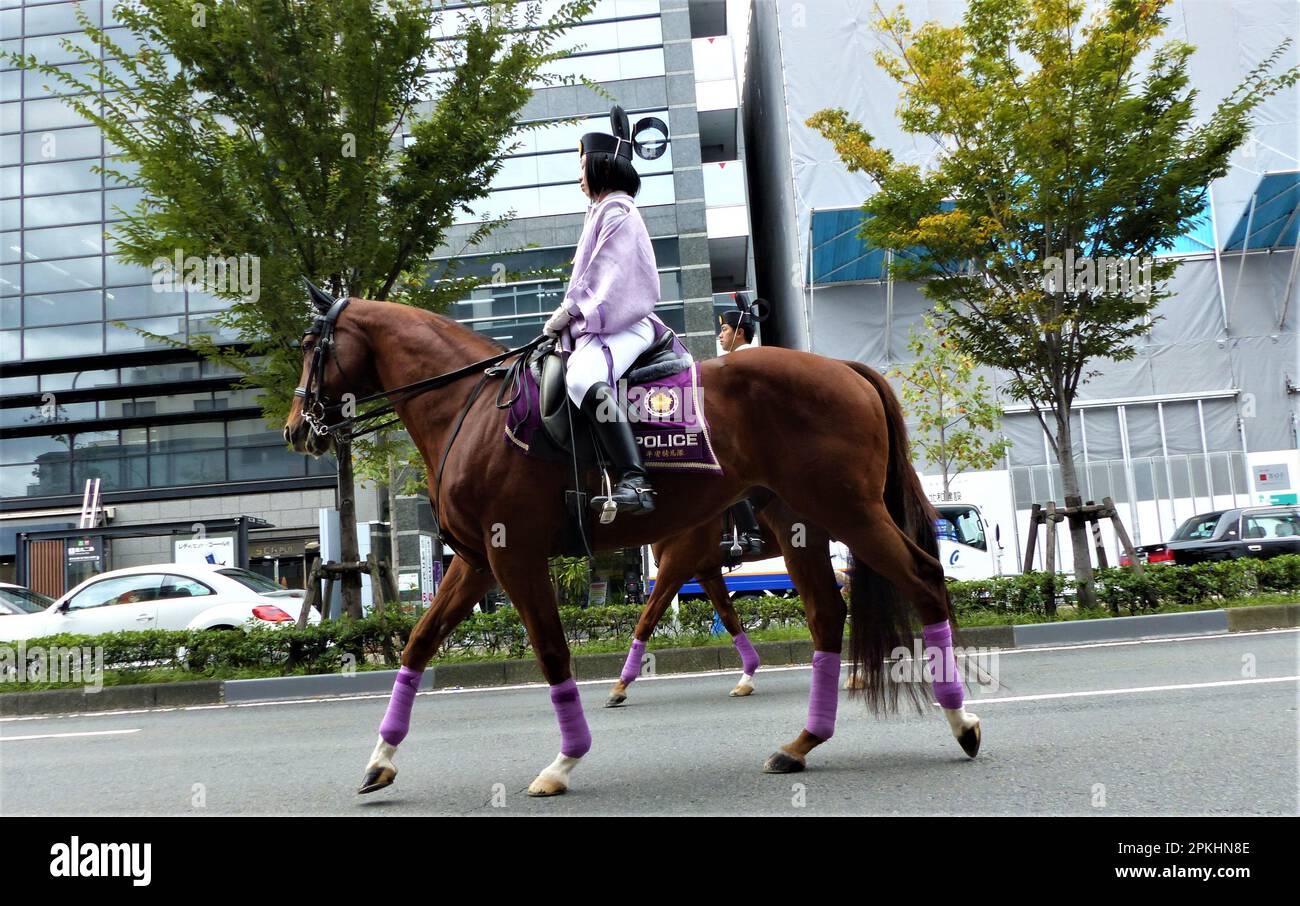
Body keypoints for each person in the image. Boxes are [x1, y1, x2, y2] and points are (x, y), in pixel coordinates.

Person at [542, 106, 669, 516]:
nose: (579, 176)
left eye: (583, 167)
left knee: (581, 378)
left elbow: (606, 275)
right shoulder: (603, 209)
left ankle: (635, 479)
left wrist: (570, 309)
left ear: (601, 166)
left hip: (625, 322)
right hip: (608, 324)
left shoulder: (617, 209)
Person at [717, 294, 763, 556]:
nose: (720, 336)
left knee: (727, 472)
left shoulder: (744, 363)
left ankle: (750, 532)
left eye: (724, 329)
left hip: (755, 437)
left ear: (740, 332)